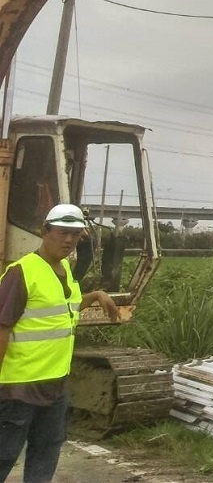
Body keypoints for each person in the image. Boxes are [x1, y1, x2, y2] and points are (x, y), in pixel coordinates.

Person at [0, 204, 120, 482]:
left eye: (75, 234)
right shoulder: (22, 272)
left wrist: (96, 295)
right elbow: (2, 329)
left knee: (46, 452)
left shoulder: (64, 269)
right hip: (18, 388)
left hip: (55, 386)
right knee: (4, 455)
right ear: (45, 232)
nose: (68, 240)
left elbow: (63, 310)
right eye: (63, 233)